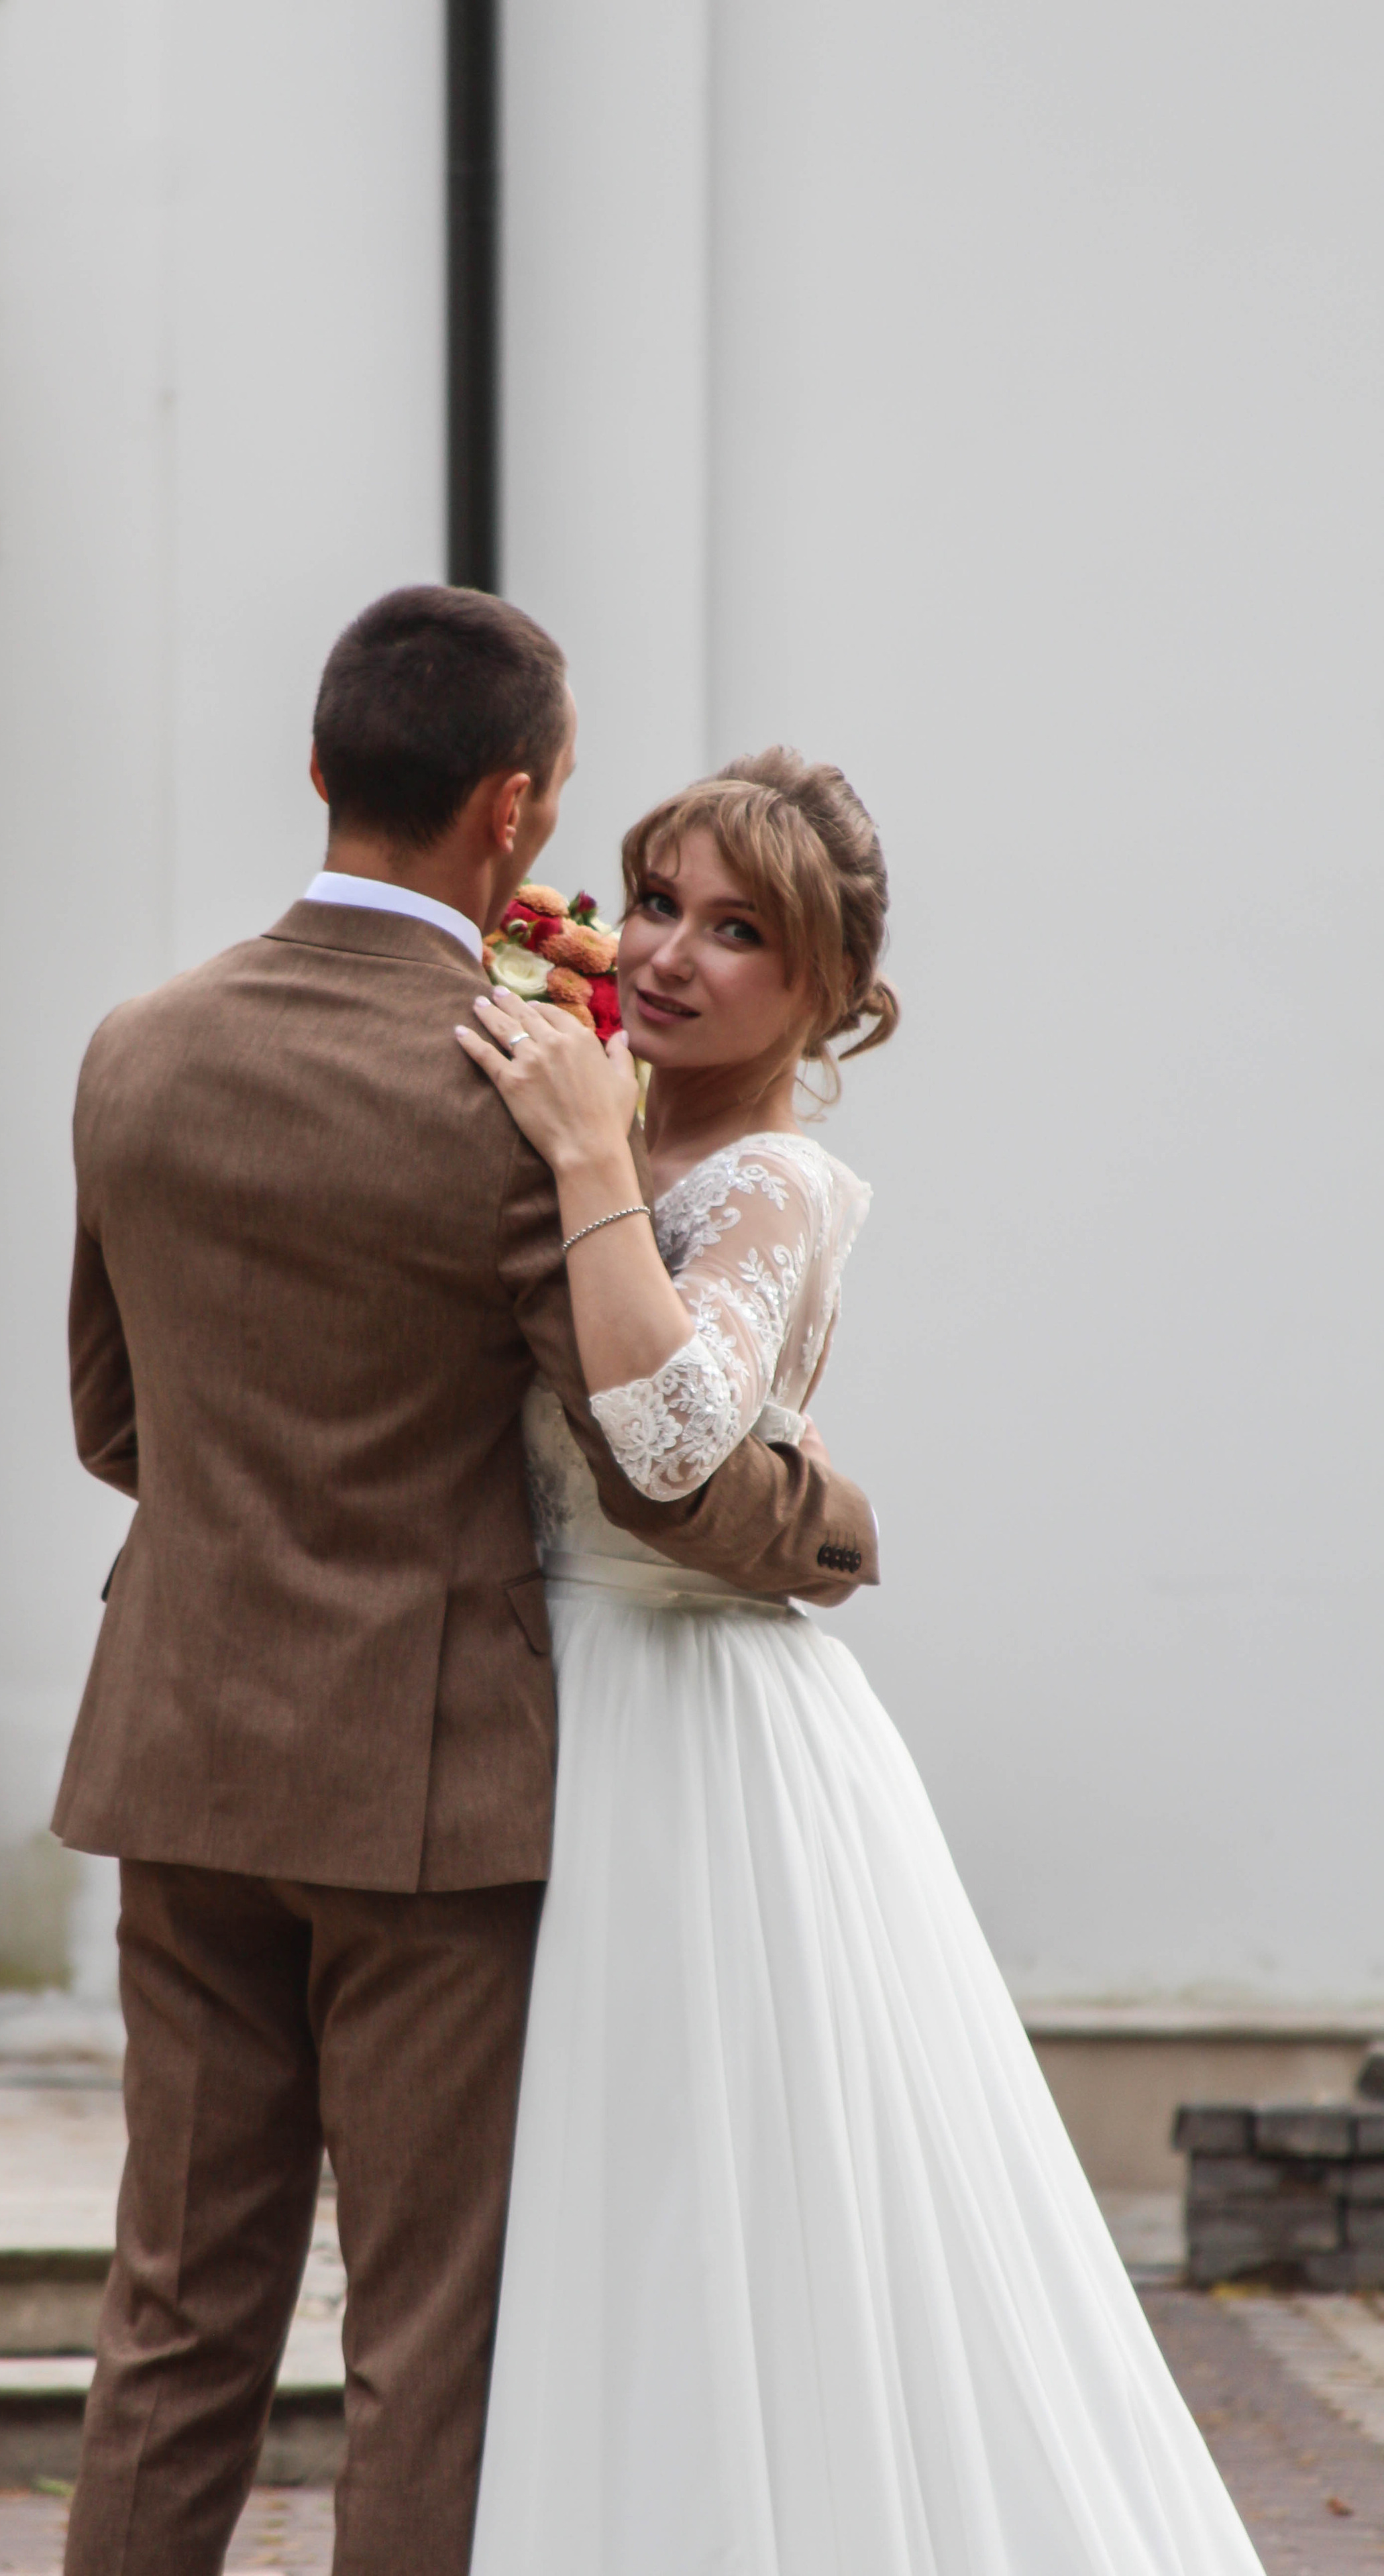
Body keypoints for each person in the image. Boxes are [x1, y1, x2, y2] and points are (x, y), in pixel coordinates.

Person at [52, 592, 880, 2576]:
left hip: (182, 1755)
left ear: (320, 766)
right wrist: (834, 1526)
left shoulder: (135, 1049)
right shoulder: (519, 1093)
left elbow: (114, 1422)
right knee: (427, 2346)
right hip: (427, 1799)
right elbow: (662, 1477)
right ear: (514, 810)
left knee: (174, 2319)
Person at [458, 756, 1265, 2575]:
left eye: (738, 931)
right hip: (529, 1699)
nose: (668, 955)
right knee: (560, 2211)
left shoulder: (777, 1183)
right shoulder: (564, 1106)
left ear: (828, 994)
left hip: (691, 1731)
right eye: (655, 901)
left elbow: (675, 1440)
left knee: (719, 2208)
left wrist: (587, 1155)